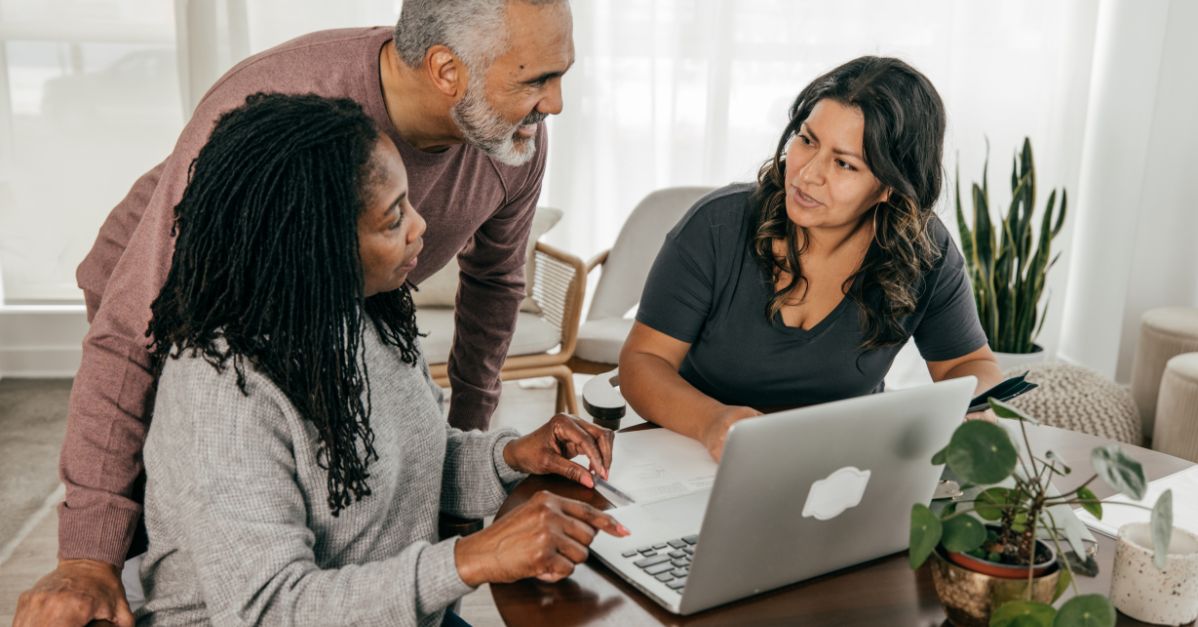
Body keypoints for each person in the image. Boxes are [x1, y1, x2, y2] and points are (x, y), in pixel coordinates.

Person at [15, 1, 575, 625]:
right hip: (171, 316)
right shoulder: (223, 381)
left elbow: (491, 292)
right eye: (536, 80)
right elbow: (127, 336)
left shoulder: (379, 313)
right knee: (221, 540)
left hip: (329, 308)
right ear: (447, 71)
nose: (553, 105)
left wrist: (495, 456)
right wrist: (88, 559)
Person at [138, 92, 621, 625]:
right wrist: (472, 558)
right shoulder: (222, 385)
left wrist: (509, 458)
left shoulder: (366, 316)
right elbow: (268, 608)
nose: (421, 227)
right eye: (394, 220)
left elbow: (404, 472)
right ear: (314, 244)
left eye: (409, 203)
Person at [619, 56, 1003, 462]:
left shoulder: (924, 250)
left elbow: (970, 364)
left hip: (842, 471)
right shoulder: (716, 226)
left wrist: (971, 408)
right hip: (696, 454)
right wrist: (711, 421)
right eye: (807, 140)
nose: (806, 174)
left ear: (890, 187)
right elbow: (643, 362)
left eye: (843, 163)